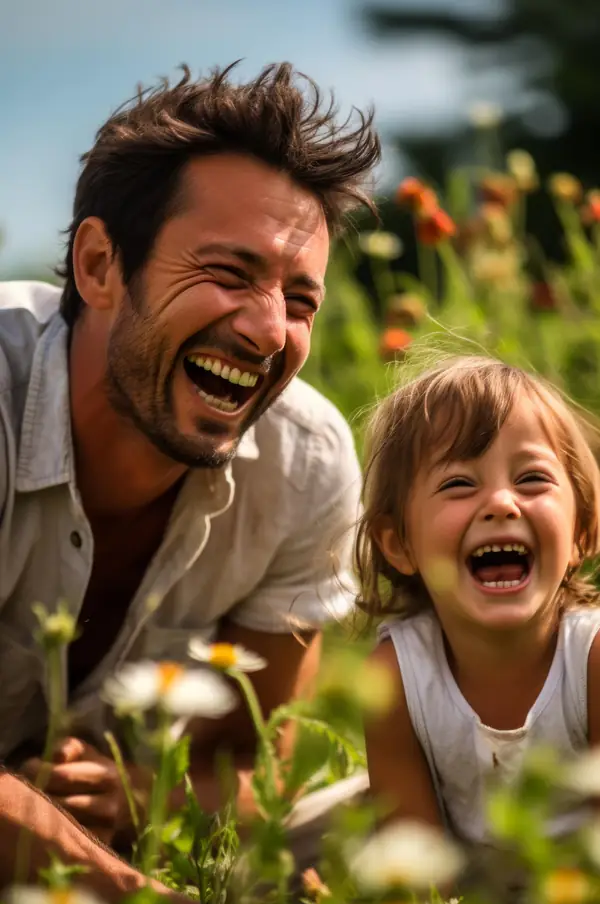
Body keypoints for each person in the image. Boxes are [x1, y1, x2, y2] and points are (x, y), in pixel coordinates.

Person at [0, 63, 379, 860]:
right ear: (99, 266)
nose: (271, 332)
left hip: (121, 855)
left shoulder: (306, 463)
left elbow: (254, 766)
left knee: (403, 806)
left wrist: (138, 798)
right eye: (228, 273)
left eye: (300, 301)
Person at [356, 355, 600, 849]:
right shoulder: (396, 679)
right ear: (398, 544)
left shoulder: (591, 662)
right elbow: (415, 866)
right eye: (458, 484)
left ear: (580, 531)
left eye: (532, 478)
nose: (502, 504)